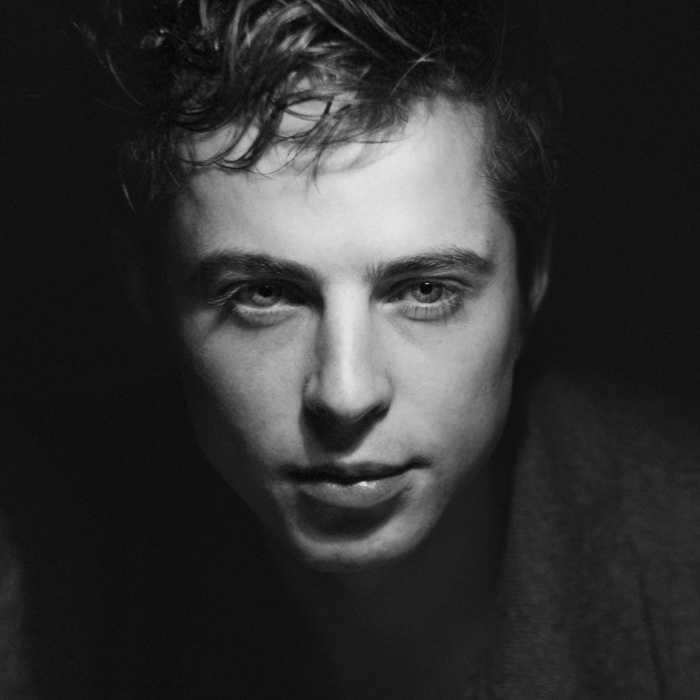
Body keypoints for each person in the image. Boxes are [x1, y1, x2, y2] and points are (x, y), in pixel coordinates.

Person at [3, 0, 699, 697]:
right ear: (147, 292)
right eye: (264, 294)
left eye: (426, 290)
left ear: (530, 283)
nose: (345, 393)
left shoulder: (678, 556)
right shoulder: (39, 563)